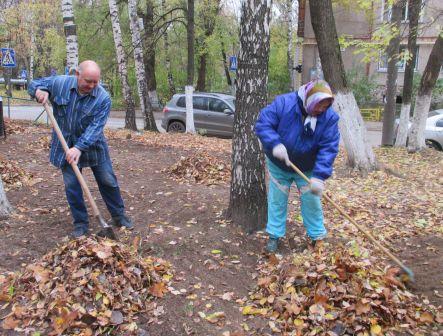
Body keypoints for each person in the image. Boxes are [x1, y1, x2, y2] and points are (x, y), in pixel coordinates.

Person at [28, 60, 133, 238]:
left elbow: (95, 128)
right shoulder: (60, 83)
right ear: (77, 74)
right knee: (72, 187)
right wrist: (38, 91)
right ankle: (81, 224)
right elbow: (33, 83)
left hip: (93, 147)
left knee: (108, 181)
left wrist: (78, 148)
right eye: (88, 81)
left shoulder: (103, 98)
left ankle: (118, 215)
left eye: (95, 82)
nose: (92, 86)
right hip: (65, 147)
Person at [255, 80, 339, 253]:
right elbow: (263, 123)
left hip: (308, 167)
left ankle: (317, 237)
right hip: (279, 163)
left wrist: (319, 176)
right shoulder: (284, 104)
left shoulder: (329, 118)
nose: (321, 110)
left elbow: (329, 147)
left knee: (311, 200)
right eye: (319, 105)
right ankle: (274, 236)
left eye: (326, 106)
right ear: (310, 100)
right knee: (277, 199)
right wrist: (275, 144)